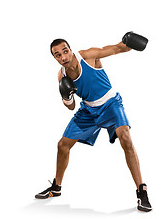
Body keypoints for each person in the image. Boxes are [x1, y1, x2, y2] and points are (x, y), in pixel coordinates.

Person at [35, 32, 152, 212]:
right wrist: (66, 97)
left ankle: (141, 191)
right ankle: (56, 187)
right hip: (88, 110)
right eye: (57, 55)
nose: (63, 57)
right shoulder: (61, 76)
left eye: (65, 51)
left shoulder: (88, 56)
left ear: (70, 50)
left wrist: (127, 43)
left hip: (111, 104)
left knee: (125, 137)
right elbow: (71, 106)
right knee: (63, 145)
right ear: (55, 58)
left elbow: (117, 49)